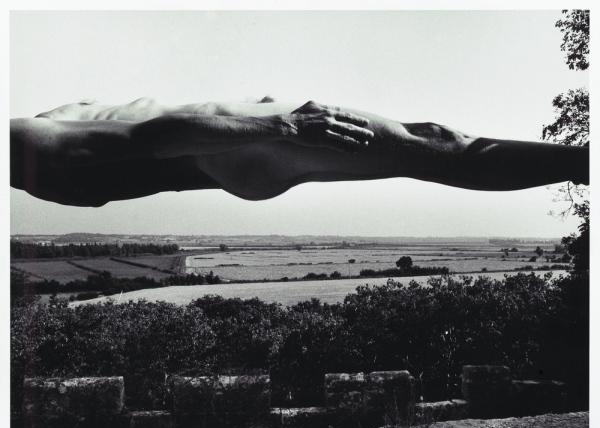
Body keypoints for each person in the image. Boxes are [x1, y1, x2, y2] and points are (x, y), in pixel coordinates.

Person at [10, 97, 589, 207]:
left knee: (430, 156)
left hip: (237, 155)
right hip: (251, 143)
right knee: (439, 145)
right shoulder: (22, 140)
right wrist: (283, 126)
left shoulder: (32, 167)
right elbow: (147, 139)